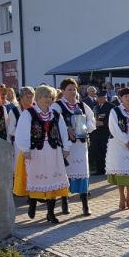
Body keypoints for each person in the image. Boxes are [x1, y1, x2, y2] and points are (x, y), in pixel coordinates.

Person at [14, 85, 71, 224]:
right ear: (38, 98)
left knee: (52, 181)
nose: (48, 99)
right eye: (45, 96)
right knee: (36, 179)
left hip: (53, 151)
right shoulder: (28, 113)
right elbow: (21, 133)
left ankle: (50, 213)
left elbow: (63, 131)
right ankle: (32, 203)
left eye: (50, 97)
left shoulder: (55, 114)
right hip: (36, 152)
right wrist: (25, 149)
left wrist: (66, 147)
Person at [52, 78, 97, 216]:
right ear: (63, 91)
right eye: (69, 89)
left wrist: (84, 128)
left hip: (80, 145)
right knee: (65, 173)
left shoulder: (81, 105)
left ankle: (85, 205)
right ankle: (64, 202)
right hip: (67, 146)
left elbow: (92, 121)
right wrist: (66, 128)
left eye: (74, 89)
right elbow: (52, 123)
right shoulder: (57, 106)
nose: (72, 92)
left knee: (82, 172)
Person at [90, 90, 115, 176]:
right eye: (98, 98)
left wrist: (104, 123)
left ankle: (107, 169)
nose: (100, 99)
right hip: (96, 132)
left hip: (106, 132)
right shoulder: (96, 106)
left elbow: (113, 119)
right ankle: (99, 169)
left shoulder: (111, 107)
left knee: (105, 151)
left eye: (102, 98)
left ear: (105, 98)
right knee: (97, 151)